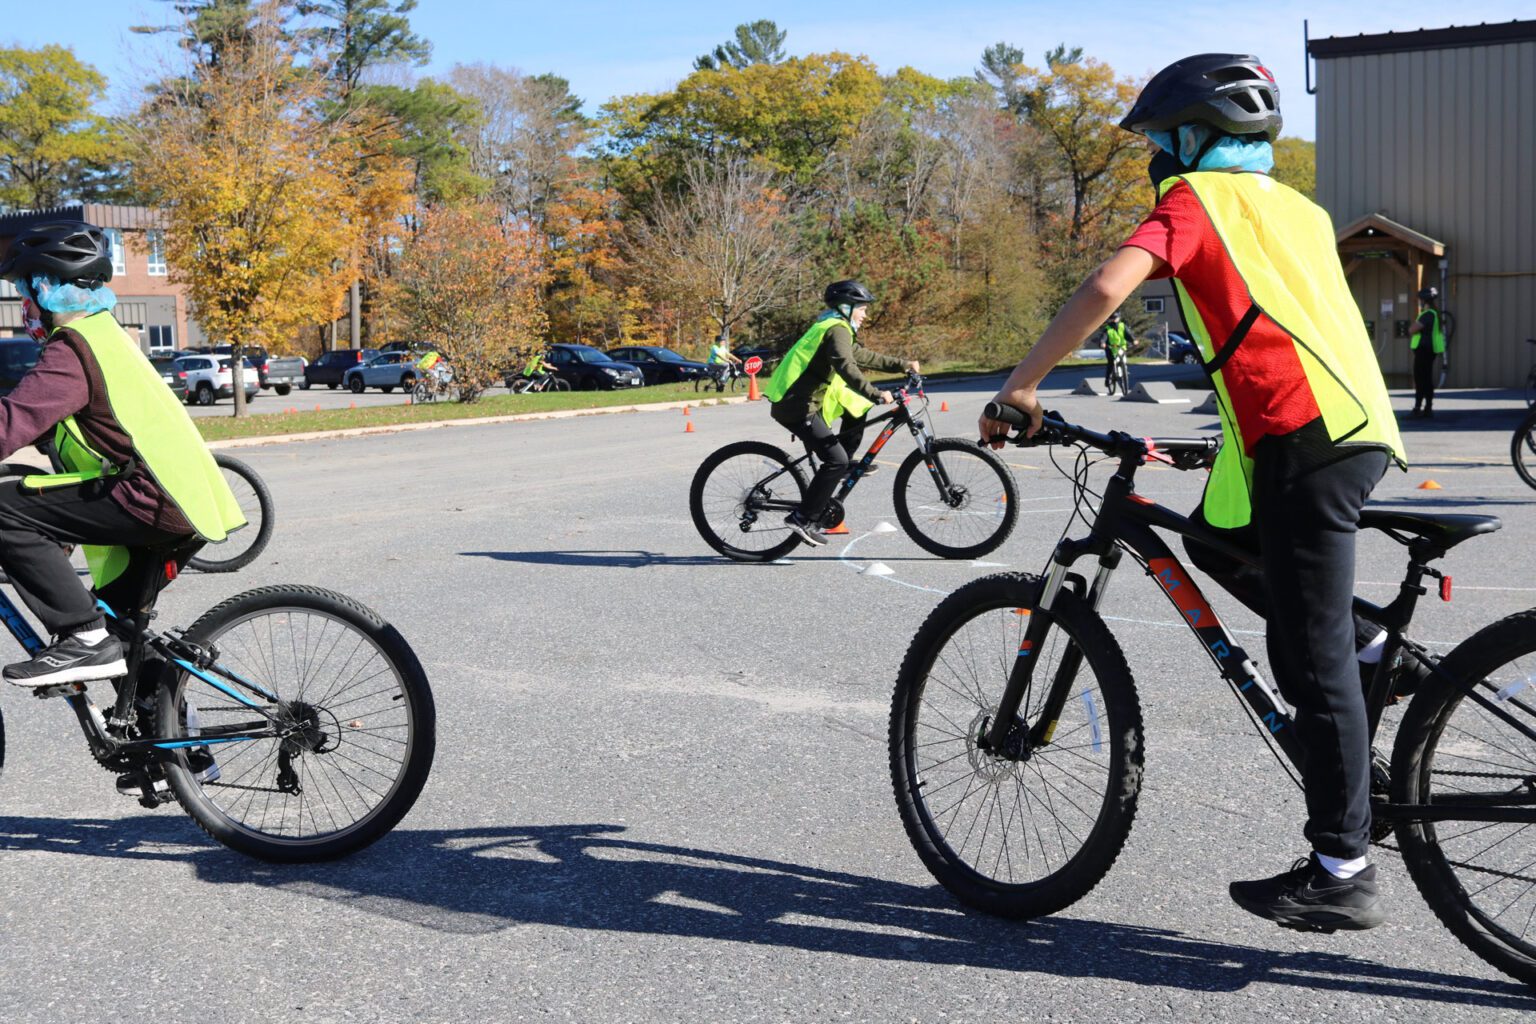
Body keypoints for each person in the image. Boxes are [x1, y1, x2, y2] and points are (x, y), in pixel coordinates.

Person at [979, 54, 1407, 932]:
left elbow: (1108, 285)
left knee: (1306, 656)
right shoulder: (1301, 209)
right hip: (1337, 427)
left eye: (1160, 140)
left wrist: (1022, 386)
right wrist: (1202, 442)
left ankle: (1344, 864)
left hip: (1302, 436)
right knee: (1216, 543)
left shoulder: (1197, 202)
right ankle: (1373, 653)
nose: (1154, 159)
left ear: (1194, 137)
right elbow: (1281, 328)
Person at [0, 221, 244, 687]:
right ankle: (181, 755)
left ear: (48, 288)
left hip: (152, 500)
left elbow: (11, 423)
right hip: (176, 502)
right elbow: (54, 426)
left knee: (4, 509)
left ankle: (82, 638)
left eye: (24, 292)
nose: (24, 307)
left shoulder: (74, 348)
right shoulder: (104, 336)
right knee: (124, 639)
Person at [763, 280, 916, 546]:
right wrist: (876, 393)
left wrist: (904, 365)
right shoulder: (836, 329)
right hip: (797, 406)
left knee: (857, 408)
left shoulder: (836, 329)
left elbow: (862, 356)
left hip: (804, 402)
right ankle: (801, 518)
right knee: (835, 460)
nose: (865, 314)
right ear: (845, 307)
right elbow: (846, 365)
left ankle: (845, 462)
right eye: (861, 308)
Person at [1408, 286, 1446, 418]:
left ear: (1424, 301)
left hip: (1424, 350)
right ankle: (1427, 407)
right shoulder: (1434, 314)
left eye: (1420, 300)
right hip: (1429, 350)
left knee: (1421, 379)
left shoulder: (1427, 314)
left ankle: (1419, 407)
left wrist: (1414, 325)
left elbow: (1412, 329)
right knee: (1426, 378)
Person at [1103, 311, 1135, 391]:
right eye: (1112, 318)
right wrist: (1103, 343)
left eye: (1115, 318)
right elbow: (1104, 337)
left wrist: (1133, 340)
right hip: (1111, 348)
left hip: (1121, 347)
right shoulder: (1108, 328)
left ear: (1119, 318)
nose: (1114, 320)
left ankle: (1124, 372)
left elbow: (1128, 334)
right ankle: (1107, 379)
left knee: (1123, 360)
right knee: (1111, 363)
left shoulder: (1122, 326)